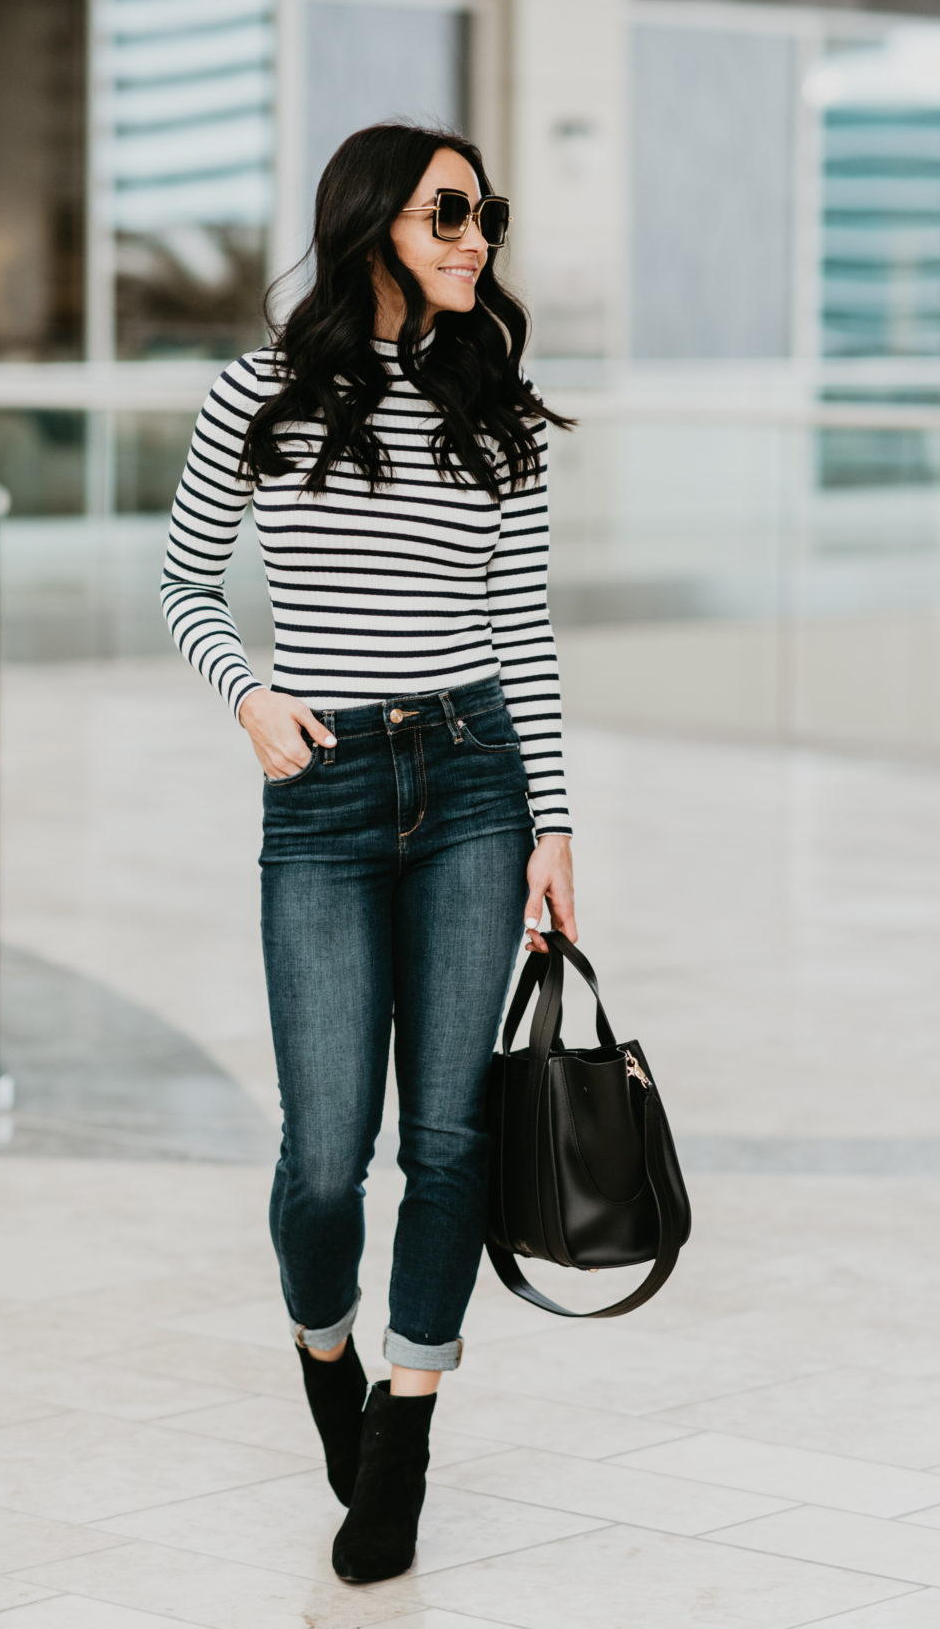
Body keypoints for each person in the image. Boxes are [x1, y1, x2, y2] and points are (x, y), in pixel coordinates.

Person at [160, 123, 577, 1584]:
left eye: (487, 216)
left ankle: (404, 1430)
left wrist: (555, 825)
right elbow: (182, 577)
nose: (477, 239)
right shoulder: (259, 395)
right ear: (372, 223)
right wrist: (248, 692)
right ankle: (322, 1345)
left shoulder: (494, 407)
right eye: (449, 212)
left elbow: (521, 631)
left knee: (451, 1137)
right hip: (326, 791)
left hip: (472, 780)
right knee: (327, 1158)